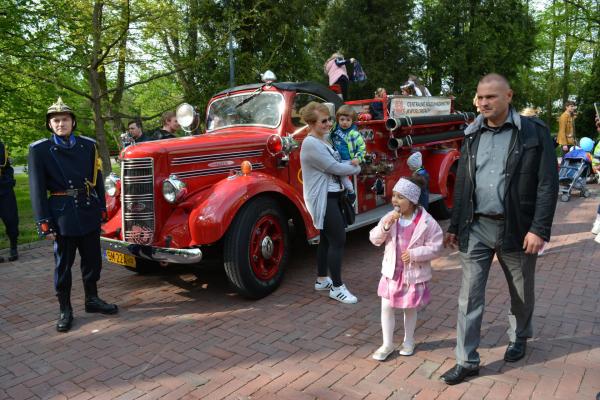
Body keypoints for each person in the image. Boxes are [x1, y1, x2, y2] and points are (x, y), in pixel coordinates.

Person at [441, 74, 558, 385]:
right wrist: (454, 224)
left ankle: (519, 336)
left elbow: (548, 184)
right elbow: (464, 180)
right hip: (476, 225)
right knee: (469, 296)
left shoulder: (534, 132)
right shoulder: (471, 133)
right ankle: (466, 361)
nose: (483, 103)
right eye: (480, 97)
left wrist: (539, 229)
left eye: (491, 97)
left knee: (521, 293)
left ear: (509, 96)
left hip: (517, 229)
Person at [28, 97, 118, 333]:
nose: (60, 124)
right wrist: (43, 223)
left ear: (73, 122)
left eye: (64, 119)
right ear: (50, 125)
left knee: (93, 262)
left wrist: (102, 208)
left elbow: (96, 179)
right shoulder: (40, 150)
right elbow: (37, 189)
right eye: (55, 120)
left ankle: (92, 299)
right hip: (62, 215)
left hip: (87, 209)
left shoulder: (88, 146)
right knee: (63, 267)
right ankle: (65, 309)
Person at [369, 176, 443, 361]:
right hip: (392, 273)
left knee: (409, 308)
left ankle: (408, 340)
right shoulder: (390, 218)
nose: (395, 200)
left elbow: (436, 246)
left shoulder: (426, 222)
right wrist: (386, 226)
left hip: (412, 274)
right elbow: (374, 238)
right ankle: (387, 343)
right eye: (394, 195)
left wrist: (416, 254)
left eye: (400, 197)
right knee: (386, 307)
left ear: (412, 201)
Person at [299, 101, 361, 304]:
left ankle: (322, 279)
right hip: (323, 198)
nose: (328, 124)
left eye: (329, 120)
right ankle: (337, 287)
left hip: (331, 196)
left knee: (326, 239)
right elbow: (333, 167)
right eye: (323, 121)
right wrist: (356, 168)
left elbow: (335, 164)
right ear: (311, 123)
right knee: (338, 240)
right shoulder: (311, 144)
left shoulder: (323, 139)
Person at [330, 105, 366, 204]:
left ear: (352, 121)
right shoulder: (334, 128)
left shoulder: (354, 134)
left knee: (342, 176)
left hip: (347, 160)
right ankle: (343, 192)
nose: (345, 122)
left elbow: (362, 148)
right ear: (338, 119)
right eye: (342, 119)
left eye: (348, 120)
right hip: (336, 158)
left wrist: (358, 158)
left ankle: (351, 192)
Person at [0, 139, 19, 263]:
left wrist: (8, 182)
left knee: (11, 219)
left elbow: (7, 168)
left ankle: (13, 247)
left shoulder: (0, 146)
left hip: (3, 190)